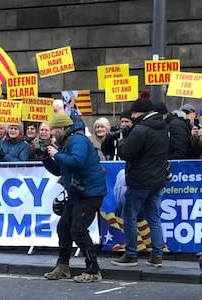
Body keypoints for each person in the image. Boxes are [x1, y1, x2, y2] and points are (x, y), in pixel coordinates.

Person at [41, 113, 107, 283]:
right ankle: (63, 267)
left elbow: (76, 161)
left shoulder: (78, 141)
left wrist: (56, 154)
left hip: (89, 193)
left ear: (63, 128)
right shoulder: (67, 142)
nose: (52, 133)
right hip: (77, 192)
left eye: (55, 129)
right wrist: (47, 159)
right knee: (64, 228)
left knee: (78, 230)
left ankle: (93, 270)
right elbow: (62, 170)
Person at [112, 98, 169, 268]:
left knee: (130, 216)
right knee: (154, 218)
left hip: (140, 180)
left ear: (140, 113)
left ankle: (131, 254)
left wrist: (122, 140)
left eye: (134, 113)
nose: (133, 116)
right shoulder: (163, 127)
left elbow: (126, 153)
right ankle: (157, 255)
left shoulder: (141, 129)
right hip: (157, 180)